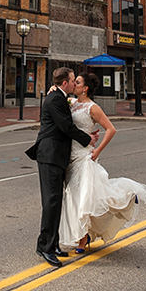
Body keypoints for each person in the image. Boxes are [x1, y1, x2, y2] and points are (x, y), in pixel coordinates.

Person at [58, 73, 146, 253]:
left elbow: (111, 129)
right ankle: (83, 234)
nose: (74, 84)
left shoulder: (93, 108)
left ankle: (83, 239)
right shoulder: (71, 103)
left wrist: (98, 149)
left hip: (85, 156)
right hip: (70, 156)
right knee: (72, 196)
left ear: (85, 88)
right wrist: (53, 89)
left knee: (81, 197)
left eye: (77, 82)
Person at [26, 67, 99, 268]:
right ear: (65, 83)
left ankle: (52, 243)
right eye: (73, 80)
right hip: (50, 155)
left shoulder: (59, 96)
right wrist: (89, 139)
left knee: (56, 202)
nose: (75, 82)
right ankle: (45, 248)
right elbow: (66, 127)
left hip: (57, 156)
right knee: (51, 202)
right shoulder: (56, 99)